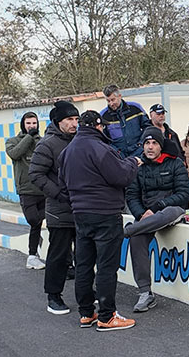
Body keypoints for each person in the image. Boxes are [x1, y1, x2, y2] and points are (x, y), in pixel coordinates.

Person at [60, 110, 141, 331]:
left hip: (80, 214)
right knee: (106, 266)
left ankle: (87, 313)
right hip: (105, 214)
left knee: (84, 265)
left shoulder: (67, 151)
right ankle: (107, 316)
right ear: (97, 126)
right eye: (102, 126)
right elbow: (121, 176)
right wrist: (133, 162)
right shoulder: (101, 149)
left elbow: (62, 184)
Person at [124, 127, 189, 312]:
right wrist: (140, 214)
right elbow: (131, 195)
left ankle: (127, 231)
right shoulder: (138, 166)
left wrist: (156, 207)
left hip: (170, 209)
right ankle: (145, 293)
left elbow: (184, 194)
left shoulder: (175, 163)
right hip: (146, 215)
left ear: (161, 146)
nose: (150, 147)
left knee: (168, 213)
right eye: (147, 143)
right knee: (137, 238)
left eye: (154, 143)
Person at [29, 101, 79, 315]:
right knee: (58, 255)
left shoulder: (81, 141)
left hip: (81, 208)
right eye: (69, 120)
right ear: (57, 122)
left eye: (76, 119)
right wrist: (58, 193)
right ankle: (54, 296)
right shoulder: (47, 144)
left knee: (85, 254)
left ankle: (86, 292)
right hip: (59, 210)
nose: (74, 124)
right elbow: (35, 174)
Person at [5, 111, 47, 270]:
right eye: (28, 123)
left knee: (39, 224)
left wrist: (36, 138)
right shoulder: (12, 141)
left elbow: (46, 156)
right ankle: (34, 251)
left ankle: (32, 255)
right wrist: (29, 137)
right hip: (26, 189)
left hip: (43, 188)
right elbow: (15, 154)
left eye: (34, 123)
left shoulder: (42, 141)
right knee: (33, 220)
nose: (32, 126)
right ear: (23, 124)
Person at [100, 83, 149, 158]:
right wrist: (115, 151)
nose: (111, 103)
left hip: (139, 153)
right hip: (119, 157)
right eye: (108, 101)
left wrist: (141, 144)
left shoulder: (136, 108)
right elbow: (103, 139)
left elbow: (148, 127)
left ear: (119, 96)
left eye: (113, 100)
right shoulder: (103, 116)